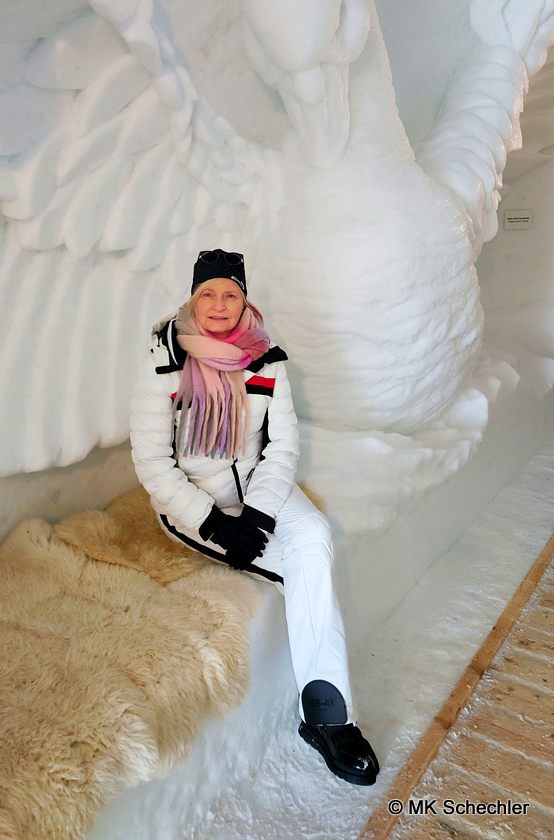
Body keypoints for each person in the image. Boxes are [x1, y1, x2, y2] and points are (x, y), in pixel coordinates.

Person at [130, 249, 379, 786]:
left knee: (313, 534)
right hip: (199, 500)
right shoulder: (165, 362)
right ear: (193, 299)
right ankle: (330, 717)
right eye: (208, 293)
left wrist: (259, 514)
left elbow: (282, 445)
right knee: (302, 568)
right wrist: (215, 524)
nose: (220, 304)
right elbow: (152, 462)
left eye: (231, 294)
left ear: (245, 301)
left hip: (260, 487)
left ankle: (328, 719)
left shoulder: (266, 358)